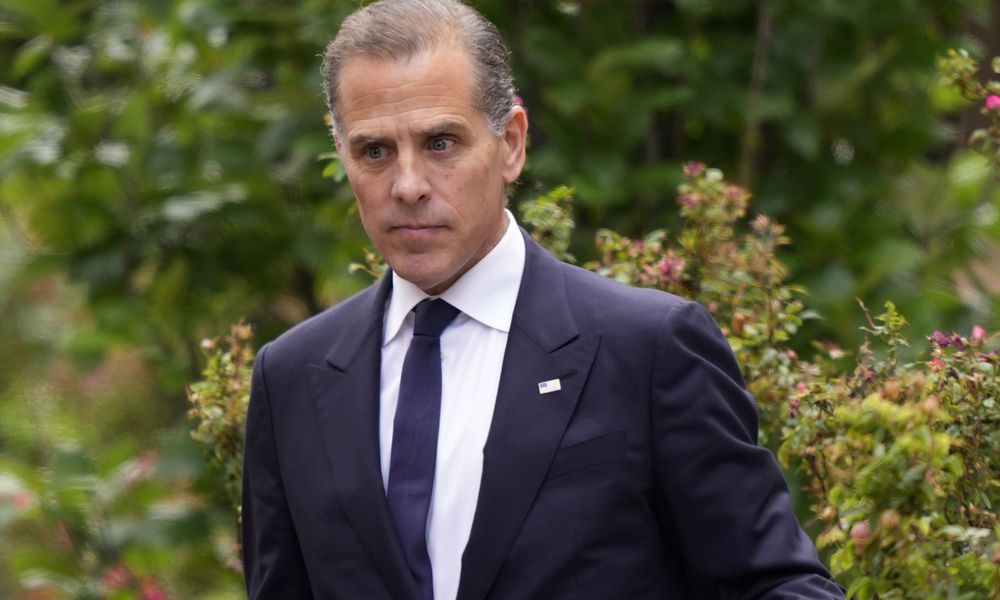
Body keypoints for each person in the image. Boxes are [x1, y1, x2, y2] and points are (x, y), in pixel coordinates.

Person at [240, 1, 845, 598]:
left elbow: (775, 585)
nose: (408, 185)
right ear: (342, 154)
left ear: (511, 143)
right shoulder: (293, 377)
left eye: (441, 143)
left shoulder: (648, 348)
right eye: (375, 151)